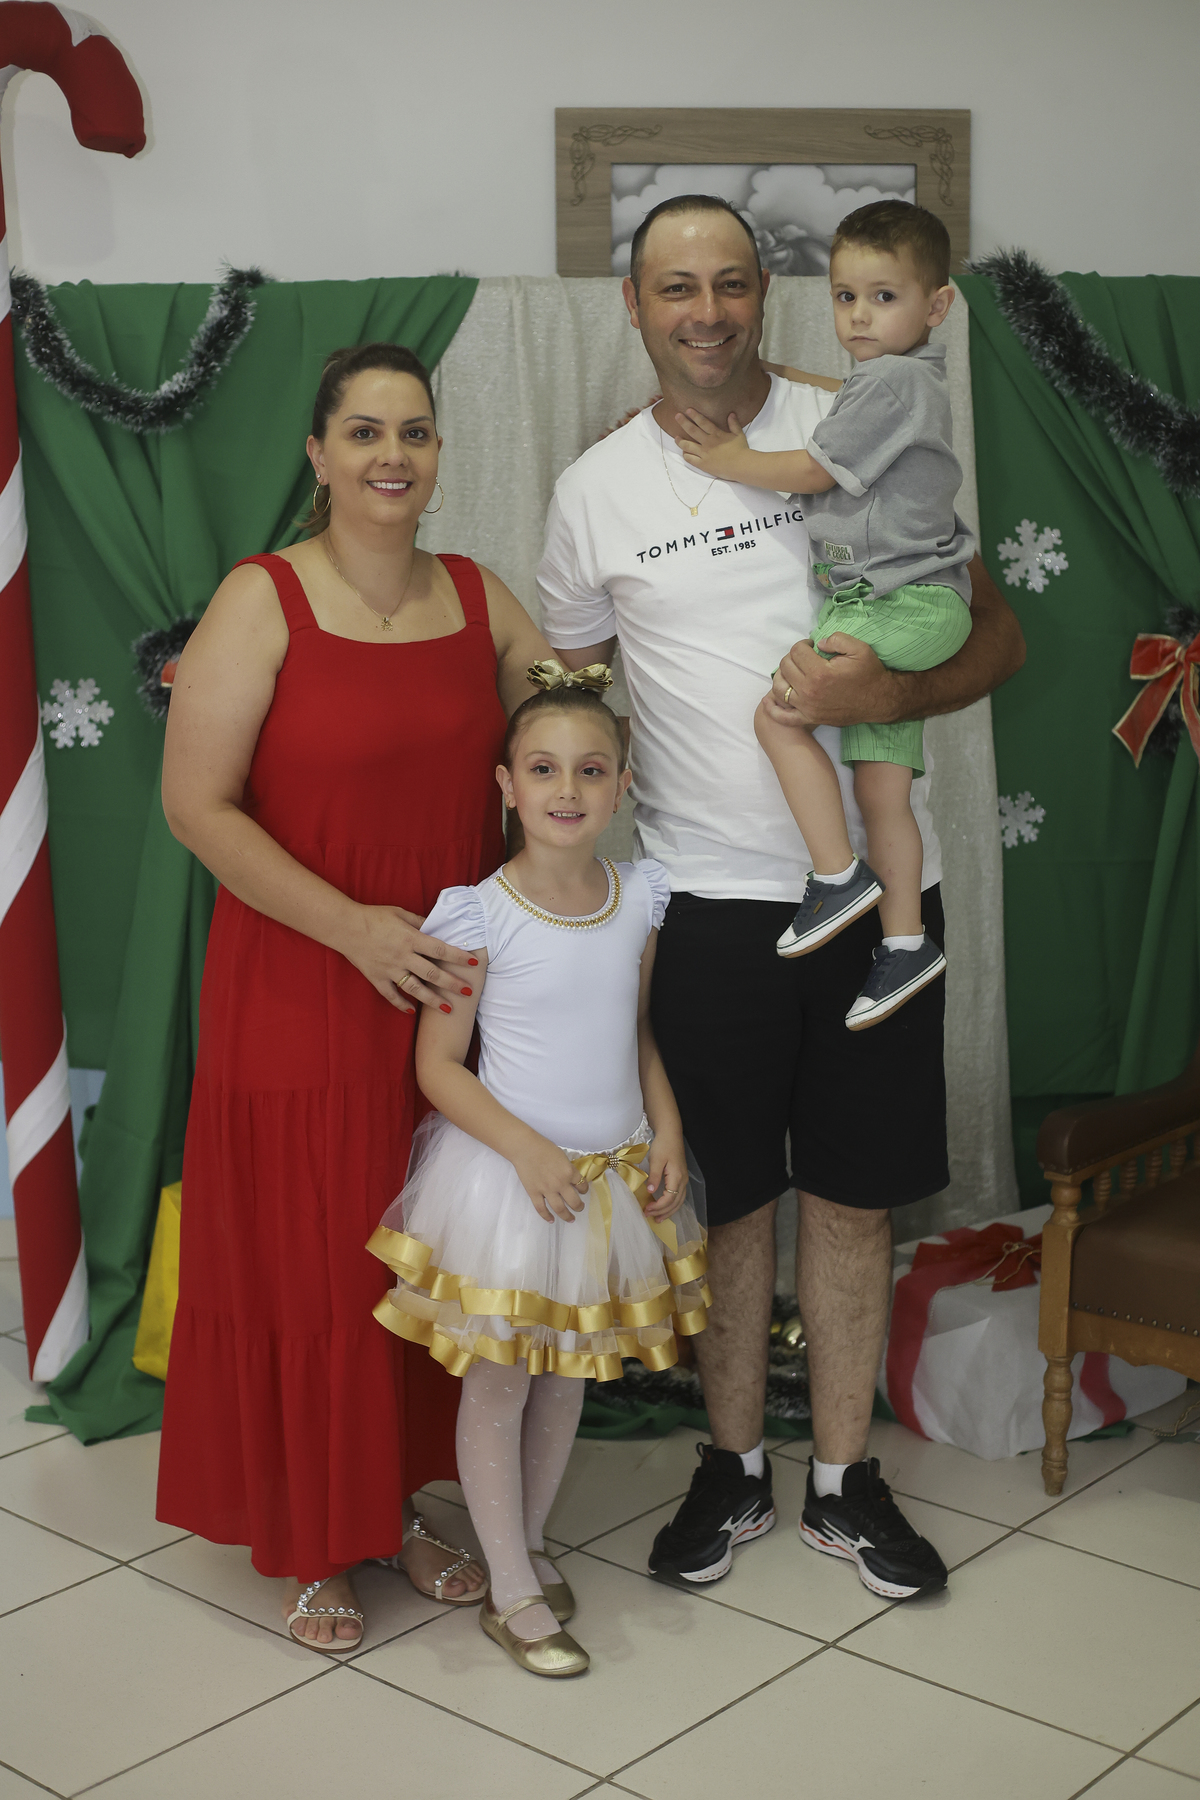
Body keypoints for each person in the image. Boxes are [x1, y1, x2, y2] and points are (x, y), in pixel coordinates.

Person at [537, 194, 1025, 1602]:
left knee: (856, 1201)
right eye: (676, 287)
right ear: (635, 305)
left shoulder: (856, 414)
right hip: (706, 906)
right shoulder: (595, 490)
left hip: (877, 909)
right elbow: (568, 689)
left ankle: (845, 1481)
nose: (707, 312)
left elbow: (996, 633)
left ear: (768, 293)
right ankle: (736, 1463)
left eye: (731, 284)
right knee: (734, 1204)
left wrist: (896, 695)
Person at [157, 342, 552, 1650]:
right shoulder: (261, 598)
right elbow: (195, 805)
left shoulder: (482, 598)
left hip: (445, 994)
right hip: (300, 975)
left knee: (417, 1256)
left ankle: (389, 1510)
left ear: (439, 453)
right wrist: (352, 931)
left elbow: (572, 735)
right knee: (315, 1260)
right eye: (367, 432)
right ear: (319, 454)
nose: (394, 455)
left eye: (416, 432)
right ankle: (311, 1539)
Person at [369, 666, 706, 1675]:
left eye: (591, 770)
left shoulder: (639, 896)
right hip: (513, 1184)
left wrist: (668, 1128)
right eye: (545, 769)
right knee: (504, 1380)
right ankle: (510, 1589)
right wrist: (525, 1151)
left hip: (610, 1179)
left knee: (568, 1375)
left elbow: (633, 1029)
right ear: (507, 786)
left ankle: (524, 1543)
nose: (568, 789)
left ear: (623, 785)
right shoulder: (478, 915)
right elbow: (439, 1066)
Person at [678, 200, 974, 1030]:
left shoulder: (893, 381)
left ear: (937, 306)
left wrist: (732, 458)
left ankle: (838, 876)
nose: (859, 316)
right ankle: (906, 943)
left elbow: (815, 469)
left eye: (883, 297)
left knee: (780, 715)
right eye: (846, 297)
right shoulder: (891, 384)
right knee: (883, 791)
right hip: (911, 602)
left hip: (901, 600)